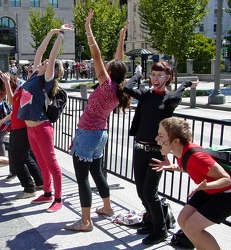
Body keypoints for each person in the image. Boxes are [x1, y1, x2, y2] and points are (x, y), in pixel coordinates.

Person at [64, 10, 130, 232]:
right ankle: (107, 207)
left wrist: (88, 29)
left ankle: (85, 221)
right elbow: (119, 61)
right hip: (101, 134)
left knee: (82, 178)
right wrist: (121, 38)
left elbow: (96, 56)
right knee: (97, 172)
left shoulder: (106, 85)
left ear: (109, 72)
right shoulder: (119, 86)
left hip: (88, 134)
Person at [123, 61, 198, 244]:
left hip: (157, 151)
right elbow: (128, 87)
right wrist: (138, 73)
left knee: (150, 192)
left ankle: (160, 230)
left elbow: (178, 95)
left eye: (160, 75)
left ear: (168, 77)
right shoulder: (146, 94)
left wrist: (186, 84)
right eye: (153, 74)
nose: (155, 78)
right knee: (141, 191)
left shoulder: (169, 99)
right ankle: (151, 221)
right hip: (140, 149)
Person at [151, 117, 231, 250]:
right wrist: (173, 167)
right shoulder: (179, 152)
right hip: (208, 189)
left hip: (226, 195)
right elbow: (190, 166)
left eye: (161, 136)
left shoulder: (197, 157)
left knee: (193, 228)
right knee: (183, 221)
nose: (156, 139)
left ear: (175, 141)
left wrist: (207, 186)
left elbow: (227, 179)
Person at [18, 23, 73, 213]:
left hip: (42, 127)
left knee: (51, 163)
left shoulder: (45, 79)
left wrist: (61, 36)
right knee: (41, 162)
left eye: (46, 64)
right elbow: (40, 52)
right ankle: (47, 193)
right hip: (31, 128)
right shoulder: (34, 75)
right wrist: (51, 32)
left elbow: (51, 56)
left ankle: (58, 198)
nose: (41, 63)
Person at [0, 71, 43, 197]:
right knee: (25, 157)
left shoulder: (23, 88)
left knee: (16, 159)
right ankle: (40, 182)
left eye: (4, 88)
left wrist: (6, 83)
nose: (4, 91)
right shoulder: (19, 88)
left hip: (23, 127)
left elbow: (12, 102)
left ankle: (29, 188)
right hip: (18, 127)